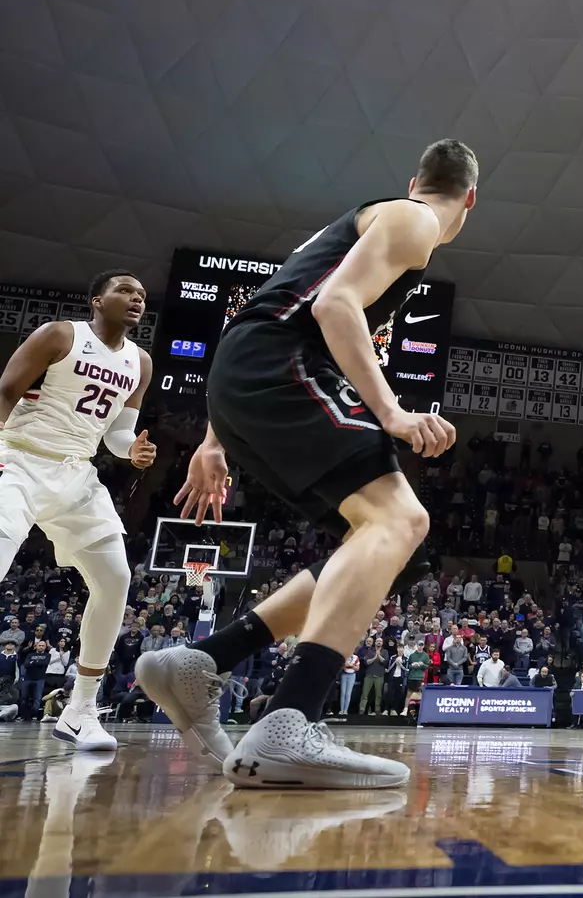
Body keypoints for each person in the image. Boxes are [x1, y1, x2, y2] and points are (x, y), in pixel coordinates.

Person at [136, 139, 477, 789]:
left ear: (416, 176)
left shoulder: (363, 227)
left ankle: (205, 661)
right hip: (280, 367)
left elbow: (271, 310)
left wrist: (214, 438)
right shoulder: (415, 220)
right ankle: (290, 719)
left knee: (395, 549)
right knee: (399, 521)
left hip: (246, 374)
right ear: (469, 198)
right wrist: (395, 414)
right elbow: (331, 308)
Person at [0, 270, 157, 750]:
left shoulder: (140, 361)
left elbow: (117, 432)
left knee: (115, 579)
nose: (136, 299)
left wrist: (132, 451)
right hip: (22, 458)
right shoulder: (61, 334)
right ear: (97, 299)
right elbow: (6, 389)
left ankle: (81, 709)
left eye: (142, 295)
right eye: (125, 290)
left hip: (77, 473)